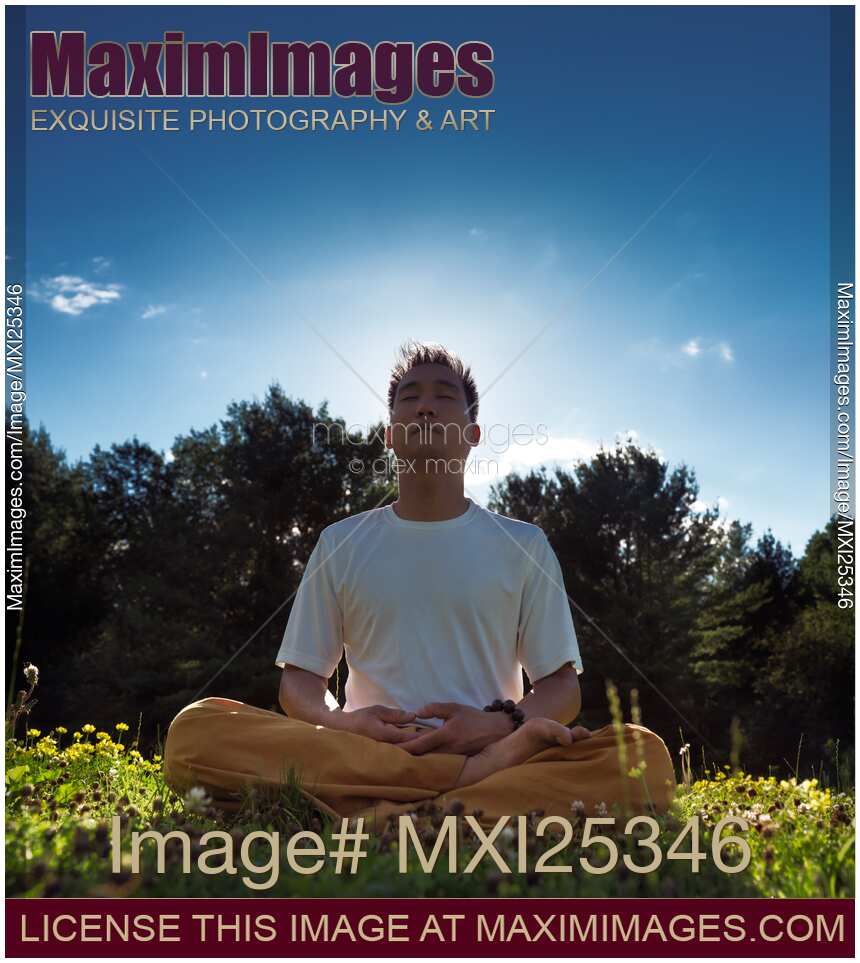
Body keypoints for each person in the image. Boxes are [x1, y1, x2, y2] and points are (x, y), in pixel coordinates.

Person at [163, 341, 677, 829]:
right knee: (195, 731)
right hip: (367, 753)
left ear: (473, 433)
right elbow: (299, 684)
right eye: (410, 399)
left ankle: (374, 811)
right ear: (390, 434)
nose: (425, 409)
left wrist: (499, 726)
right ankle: (459, 798)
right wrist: (344, 726)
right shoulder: (341, 541)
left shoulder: (524, 543)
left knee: (643, 757)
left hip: (493, 746)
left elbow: (562, 687)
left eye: (444, 397)